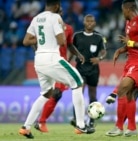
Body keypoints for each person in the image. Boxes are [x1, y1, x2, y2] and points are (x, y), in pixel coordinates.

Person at [19, 0, 94, 139]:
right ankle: (81, 125)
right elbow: (61, 41)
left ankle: (26, 127)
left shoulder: (36, 19)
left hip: (39, 60)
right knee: (78, 82)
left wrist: (41, 40)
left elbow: (26, 41)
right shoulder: (55, 18)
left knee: (46, 94)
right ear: (57, 6)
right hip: (52, 57)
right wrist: (59, 30)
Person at [105, 0, 138, 137]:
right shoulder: (128, 23)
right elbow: (130, 43)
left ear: (128, 9)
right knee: (129, 94)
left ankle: (119, 127)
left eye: (123, 10)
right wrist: (121, 50)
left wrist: (130, 43)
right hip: (130, 61)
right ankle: (132, 128)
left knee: (121, 90)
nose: (122, 13)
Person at [34, 7, 84, 133]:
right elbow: (34, 39)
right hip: (50, 62)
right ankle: (41, 122)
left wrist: (78, 54)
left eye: (61, 12)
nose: (59, 14)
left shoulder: (68, 28)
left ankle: (38, 122)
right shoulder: (46, 27)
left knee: (54, 93)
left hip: (60, 64)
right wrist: (39, 51)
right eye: (57, 12)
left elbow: (70, 44)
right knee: (56, 92)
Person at [70, 14, 107, 129]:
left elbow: (103, 51)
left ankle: (91, 120)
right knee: (79, 94)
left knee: (92, 95)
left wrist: (99, 59)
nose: (90, 23)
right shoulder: (77, 36)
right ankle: (76, 118)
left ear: (95, 23)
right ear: (84, 22)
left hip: (93, 70)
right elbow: (71, 50)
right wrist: (67, 62)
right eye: (88, 21)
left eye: (92, 21)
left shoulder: (99, 37)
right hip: (80, 69)